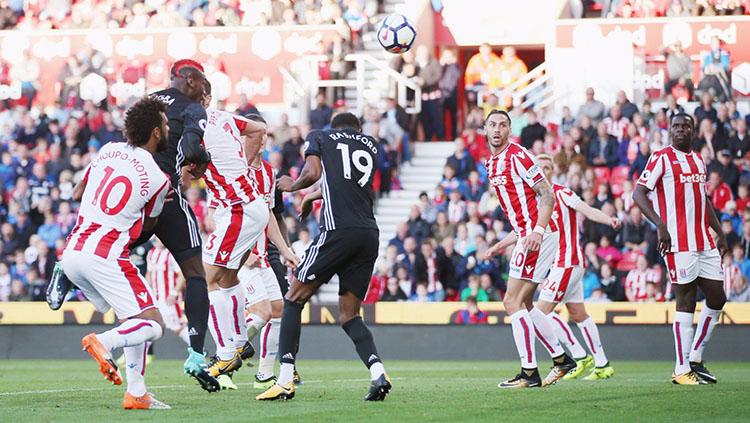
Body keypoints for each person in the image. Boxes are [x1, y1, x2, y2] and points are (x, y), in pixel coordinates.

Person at [259, 112, 390, 401]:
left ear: (334, 127)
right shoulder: (370, 144)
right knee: (349, 314)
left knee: (293, 297)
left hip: (337, 231)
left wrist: (293, 187)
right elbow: (345, 182)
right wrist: (312, 197)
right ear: (357, 129)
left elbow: (313, 173)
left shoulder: (321, 135)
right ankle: (378, 372)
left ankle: (284, 378)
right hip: (368, 234)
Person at [60, 97, 172, 409]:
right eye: (164, 125)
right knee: (153, 323)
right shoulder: (158, 179)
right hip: (106, 256)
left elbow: (77, 192)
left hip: (74, 249)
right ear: (155, 132)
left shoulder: (108, 149)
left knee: (131, 318)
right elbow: (146, 228)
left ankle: (137, 393)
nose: (167, 129)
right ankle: (105, 342)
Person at [489, 154, 620, 380]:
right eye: (540, 167)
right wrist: (499, 246)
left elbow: (587, 210)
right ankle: (601, 363)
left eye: (548, 167)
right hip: (563, 265)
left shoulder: (561, 192)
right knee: (579, 314)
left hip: (566, 262)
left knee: (537, 311)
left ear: (553, 171)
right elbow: (522, 230)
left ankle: (575, 356)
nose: (544, 171)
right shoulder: (531, 199)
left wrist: (609, 220)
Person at [481, 109, 576, 389]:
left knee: (511, 302)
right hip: (528, 235)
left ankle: (529, 372)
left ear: (510, 130)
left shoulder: (519, 156)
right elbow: (520, 210)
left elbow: (547, 195)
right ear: (485, 131)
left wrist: (537, 230)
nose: (497, 129)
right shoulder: (492, 164)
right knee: (524, 303)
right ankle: (561, 360)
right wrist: (503, 243)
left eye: (503, 125)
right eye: (492, 125)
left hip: (540, 235)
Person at [633, 113, 728, 385]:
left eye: (685, 126)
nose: (680, 130)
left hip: (703, 240)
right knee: (685, 298)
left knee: (717, 298)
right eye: (675, 126)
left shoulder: (698, 159)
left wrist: (719, 231)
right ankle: (681, 368)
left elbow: (703, 199)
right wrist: (660, 224)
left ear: (693, 131)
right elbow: (638, 193)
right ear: (670, 130)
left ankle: (695, 357)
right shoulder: (661, 157)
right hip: (677, 242)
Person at [197, 87, 277, 382]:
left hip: (237, 209)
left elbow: (189, 171)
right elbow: (258, 128)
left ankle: (226, 352)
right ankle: (240, 342)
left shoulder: (196, 125)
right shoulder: (227, 119)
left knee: (205, 279)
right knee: (227, 278)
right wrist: (241, 164)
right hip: (248, 207)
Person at [235, 114, 300, 390]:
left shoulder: (267, 174)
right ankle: (227, 354)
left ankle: (263, 373)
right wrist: (242, 250)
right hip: (238, 254)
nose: (263, 140)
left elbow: (271, 216)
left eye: (265, 135)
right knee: (262, 312)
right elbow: (218, 215)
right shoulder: (232, 170)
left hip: (263, 252)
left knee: (279, 310)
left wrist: (285, 249)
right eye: (257, 134)